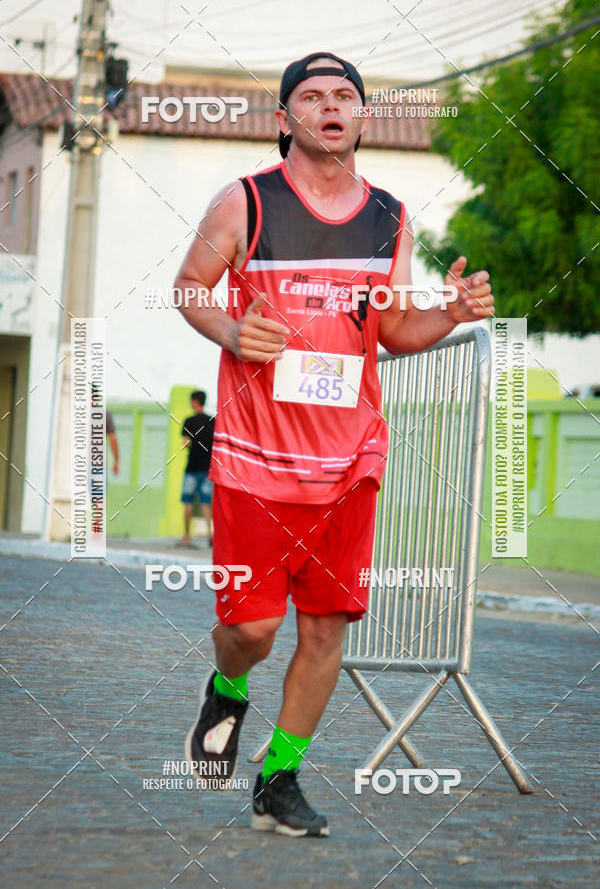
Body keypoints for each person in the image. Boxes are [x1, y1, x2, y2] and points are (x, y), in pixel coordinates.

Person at [174, 51, 494, 837]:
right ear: (284, 119)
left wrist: (451, 313)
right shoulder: (245, 202)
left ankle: (278, 780)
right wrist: (230, 329)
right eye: (312, 96)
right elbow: (188, 288)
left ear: (361, 116)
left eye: (344, 95)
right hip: (254, 458)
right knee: (252, 630)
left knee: (324, 630)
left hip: (350, 461)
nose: (330, 106)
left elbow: (392, 330)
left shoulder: (389, 215)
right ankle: (227, 687)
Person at [179, 390, 215, 547]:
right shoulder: (213, 421)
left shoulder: (189, 421)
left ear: (194, 402)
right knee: (205, 502)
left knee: (188, 501)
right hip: (208, 467)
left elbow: (186, 443)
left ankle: (187, 537)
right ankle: (210, 534)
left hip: (192, 467)